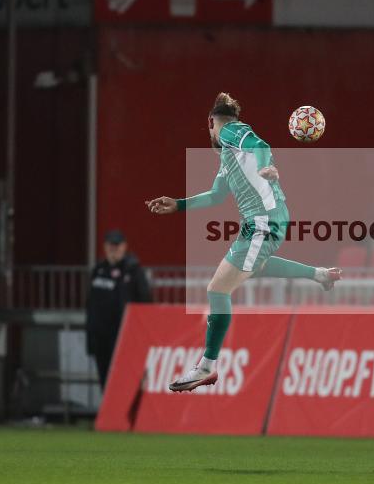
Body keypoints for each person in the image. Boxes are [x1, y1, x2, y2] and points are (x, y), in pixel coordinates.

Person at [146, 92, 342, 391]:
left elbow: (260, 145)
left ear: (211, 122)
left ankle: (207, 367)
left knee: (217, 290)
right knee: (255, 266)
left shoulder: (229, 131)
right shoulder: (229, 154)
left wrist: (266, 167)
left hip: (262, 220)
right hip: (265, 218)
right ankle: (320, 274)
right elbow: (216, 196)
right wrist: (179, 204)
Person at [86, 229, 152, 390]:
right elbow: (90, 305)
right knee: (105, 379)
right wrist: (90, 337)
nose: (113, 249)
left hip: (124, 336)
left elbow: (146, 301)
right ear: (105, 247)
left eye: (117, 245)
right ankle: (108, 406)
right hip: (101, 337)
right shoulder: (98, 270)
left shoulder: (133, 270)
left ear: (124, 247)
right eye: (110, 245)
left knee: (125, 379)